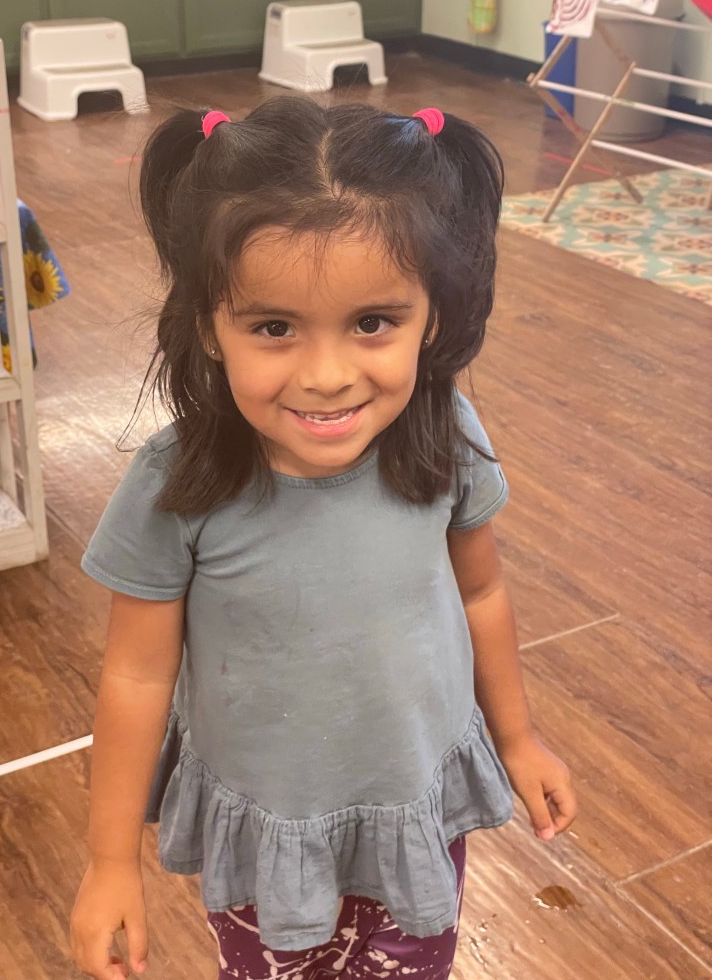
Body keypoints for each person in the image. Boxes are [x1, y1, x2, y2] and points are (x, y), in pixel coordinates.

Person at [70, 96, 577, 980]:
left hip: (416, 813)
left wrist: (518, 737)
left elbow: (481, 591)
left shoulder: (445, 435)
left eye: (373, 322)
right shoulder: (178, 484)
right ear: (209, 327)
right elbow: (136, 674)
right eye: (274, 327)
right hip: (268, 833)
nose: (329, 375)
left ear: (432, 316)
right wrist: (110, 861)